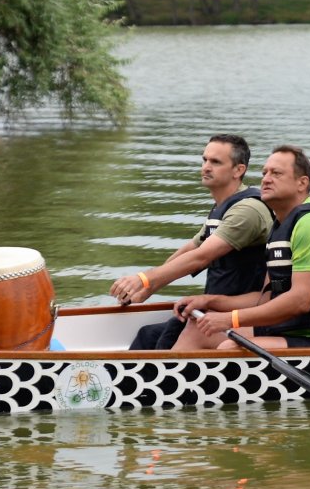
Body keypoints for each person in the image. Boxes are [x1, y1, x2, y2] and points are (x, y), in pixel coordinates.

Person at [171, 145, 310, 350]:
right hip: (293, 328)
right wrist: (210, 301)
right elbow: (265, 299)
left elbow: (300, 301)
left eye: (276, 173)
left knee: (231, 348)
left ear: (302, 183)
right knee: (197, 329)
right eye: (264, 173)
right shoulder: (280, 225)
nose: (265, 179)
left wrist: (231, 319)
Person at [112, 133, 274, 350]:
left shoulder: (248, 210)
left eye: (215, 162)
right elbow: (192, 247)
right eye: (204, 160)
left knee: (170, 342)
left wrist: (144, 279)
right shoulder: (223, 207)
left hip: (242, 315)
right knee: (148, 334)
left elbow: (201, 257)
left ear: (239, 170)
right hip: (214, 309)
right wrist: (151, 286)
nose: (206, 167)